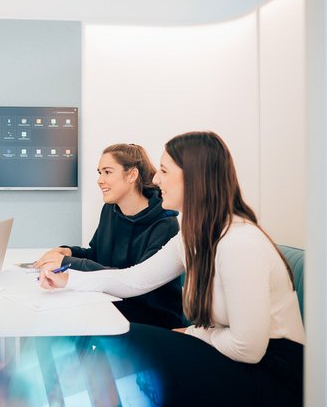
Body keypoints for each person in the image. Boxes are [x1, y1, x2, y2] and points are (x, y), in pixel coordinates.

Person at [39, 131, 305, 406]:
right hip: (229, 352)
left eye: (164, 170)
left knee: (123, 351)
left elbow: (248, 348)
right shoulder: (192, 236)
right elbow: (135, 279)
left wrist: (192, 332)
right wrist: (69, 280)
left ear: (194, 177)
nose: (155, 179)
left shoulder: (240, 243)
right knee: (110, 340)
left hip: (274, 372)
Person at [34, 143, 185, 329]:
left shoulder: (165, 223)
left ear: (132, 175)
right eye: (99, 173)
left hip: (150, 317)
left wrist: (68, 263)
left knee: (68, 321)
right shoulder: (110, 210)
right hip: (112, 302)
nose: (100, 180)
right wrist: (69, 252)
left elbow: (138, 286)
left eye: (107, 172)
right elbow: (98, 254)